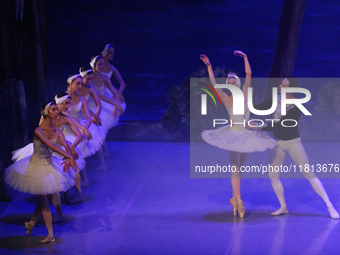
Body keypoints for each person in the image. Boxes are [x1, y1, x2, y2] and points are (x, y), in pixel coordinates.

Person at [200, 52, 276, 218]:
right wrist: (209, 66)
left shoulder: (245, 94)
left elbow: (249, 74)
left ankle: (234, 200)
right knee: (235, 169)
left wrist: (246, 58)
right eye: (229, 82)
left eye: (234, 82)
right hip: (233, 135)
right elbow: (213, 83)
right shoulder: (226, 98)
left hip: (247, 136)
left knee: (239, 170)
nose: (232, 84)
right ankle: (240, 201)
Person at [254, 77, 339, 219]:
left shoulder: (297, 107)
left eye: (283, 85)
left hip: (293, 143)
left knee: (309, 174)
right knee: (273, 175)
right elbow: (258, 108)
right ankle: (283, 207)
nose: (280, 86)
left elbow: (282, 125)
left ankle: (330, 207)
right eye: (281, 83)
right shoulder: (276, 99)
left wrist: (258, 126)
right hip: (277, 143)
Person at [5, 102, 78, 243]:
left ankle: (31, 223)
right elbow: (50, 145)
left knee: (49, 199)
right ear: (46, 112)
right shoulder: (38, 131)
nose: (57, 112)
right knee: (45, 202)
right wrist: (68, 156)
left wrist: (69, 155)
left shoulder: (58, 131)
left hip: (49, 166)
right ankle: (50, 235)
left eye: (57, 109)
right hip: (36, 167)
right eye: (54, 109)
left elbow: (65, 145)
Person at [65, 74, 107, 171]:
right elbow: (68, 117)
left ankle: (102, 163)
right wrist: (82, 129)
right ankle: (79, 172)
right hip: (69, 125)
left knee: (94, 136)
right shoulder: (63, 98)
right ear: (71, 83)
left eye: (81, 84)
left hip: (81, 123)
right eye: (78, 84)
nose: (80, 86)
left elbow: (88, 117)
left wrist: (85, 129)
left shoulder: (81, 99)